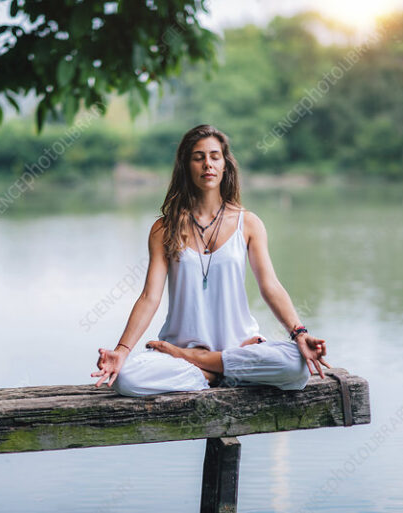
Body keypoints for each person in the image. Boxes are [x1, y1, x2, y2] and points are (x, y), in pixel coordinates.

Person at [91, 124, 330, 397]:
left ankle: (204, 364)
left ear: (225, 165)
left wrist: (299, 334)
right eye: (198, 157)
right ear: (186, 165)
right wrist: (121, 351)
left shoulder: (248, 224)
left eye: (215, 156)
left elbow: (270, 286)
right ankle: (217, 371)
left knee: (297, 367)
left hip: (239, 347)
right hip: (183, 350)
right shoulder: (163, 229)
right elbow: (149, 297)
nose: (208, 164)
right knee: (127, 379)